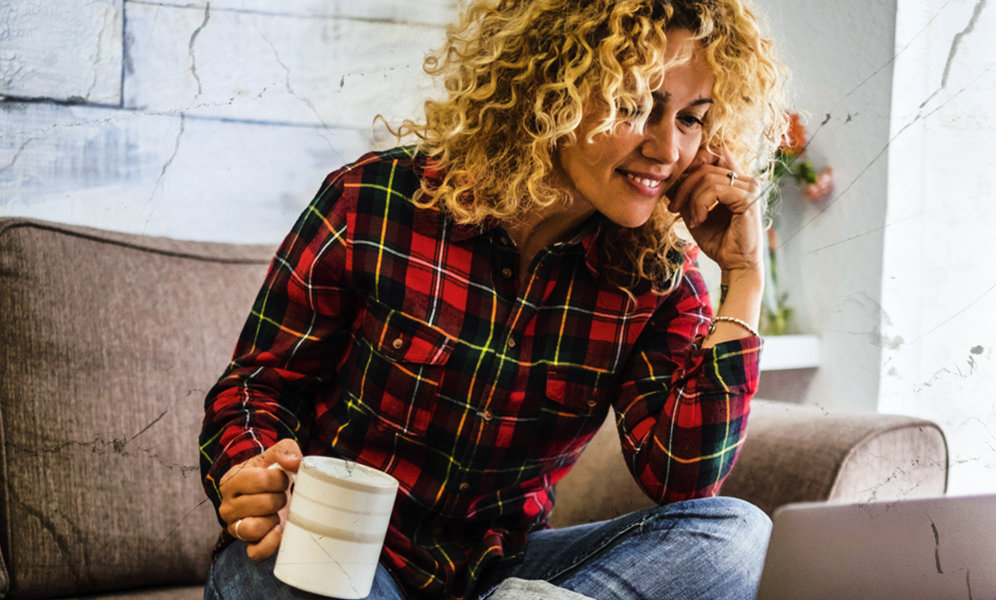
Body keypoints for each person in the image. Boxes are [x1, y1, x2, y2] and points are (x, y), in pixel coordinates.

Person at [200, 0, 789, 598]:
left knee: (736, 537)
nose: (667, 151)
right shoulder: (376, 202)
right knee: (272, 570)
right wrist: (253, 468)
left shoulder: (659, 278)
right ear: (551, 89)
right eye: (634, 106)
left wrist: (744, 276)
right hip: (339, 549)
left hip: (501, 574)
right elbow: (255, 386)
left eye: (691, 119)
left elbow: (681, 478)